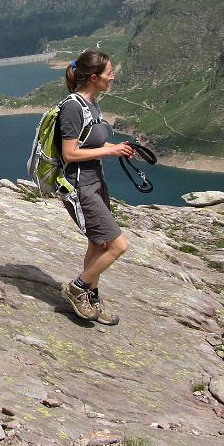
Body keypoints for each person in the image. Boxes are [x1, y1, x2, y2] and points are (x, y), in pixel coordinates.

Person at [58, 49, 133, 325]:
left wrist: (115, 147)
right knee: (117, 245)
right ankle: (78, 288)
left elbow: (91, 143)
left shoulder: (92, 104)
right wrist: (108, 153)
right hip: (80, 187)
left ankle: (91, 297)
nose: (112, 78)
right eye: (109, 73)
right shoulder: (73, 107)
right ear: (93, 77)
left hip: (95, 182)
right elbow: (70, 154)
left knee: (98, 242)